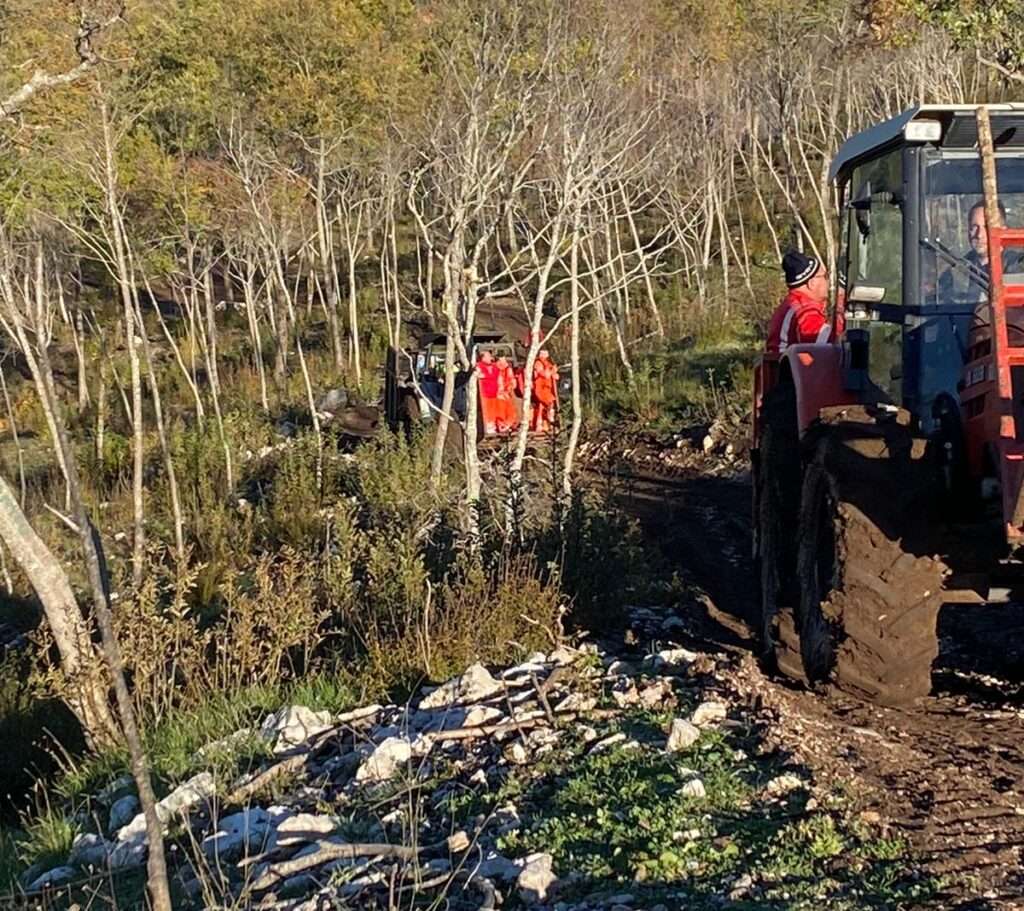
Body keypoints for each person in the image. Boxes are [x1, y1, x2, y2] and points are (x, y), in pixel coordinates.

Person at [938, 199, 1020, 303]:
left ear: (1003, 231)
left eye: (987, 227)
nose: (979, 235)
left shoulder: (1018, 267)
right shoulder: (956, 272)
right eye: (974, 227)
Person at [765, 250, 833, 354]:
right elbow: (825, 343)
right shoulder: (805, 309)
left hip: (781, 367)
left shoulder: (792, 303)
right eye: (825, 276)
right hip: (787, 369)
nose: (828, 281)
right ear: (812, 283)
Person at [531, 349, 559, 432]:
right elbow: (545, 374)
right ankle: (550, 419)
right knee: (550, 402)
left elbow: (555, 376)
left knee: (541, 406)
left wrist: (554, 372)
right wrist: (552, 371)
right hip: (540, 388)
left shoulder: (548, 364)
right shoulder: (538, 363)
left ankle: (540, 424)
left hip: (548, 388)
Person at [476, 349, 500, 435]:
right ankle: (488, 427)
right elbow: (477, 375)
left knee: (494, 410)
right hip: (484, 394)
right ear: (483, 357)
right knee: (486, 410)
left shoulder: (494, 366)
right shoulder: (478, 366)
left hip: (494, 392)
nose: (490, 357)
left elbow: (499, 377)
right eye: (488, 356)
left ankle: (494, 426)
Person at [495, 354, 518, 432]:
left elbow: (513, 382)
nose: (504, 363)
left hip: (507, 394)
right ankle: (502, 425)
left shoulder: (508, 370)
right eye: (502, 361)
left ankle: (508, 424)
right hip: (497, 395)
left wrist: (509, 388)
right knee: (501, 408)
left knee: (511, 409)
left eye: (505, 361)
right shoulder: (495, 371)